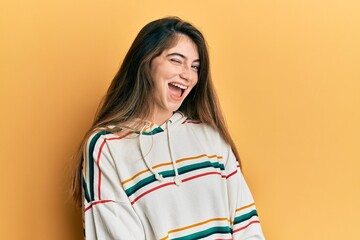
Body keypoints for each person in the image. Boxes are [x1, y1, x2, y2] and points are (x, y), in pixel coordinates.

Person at [72, 16, 265, 239]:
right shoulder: (107, 146)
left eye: (195, 66)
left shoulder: (211, 137)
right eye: (176, 60)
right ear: (146, 64)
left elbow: (248, 229)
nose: (188, 74)